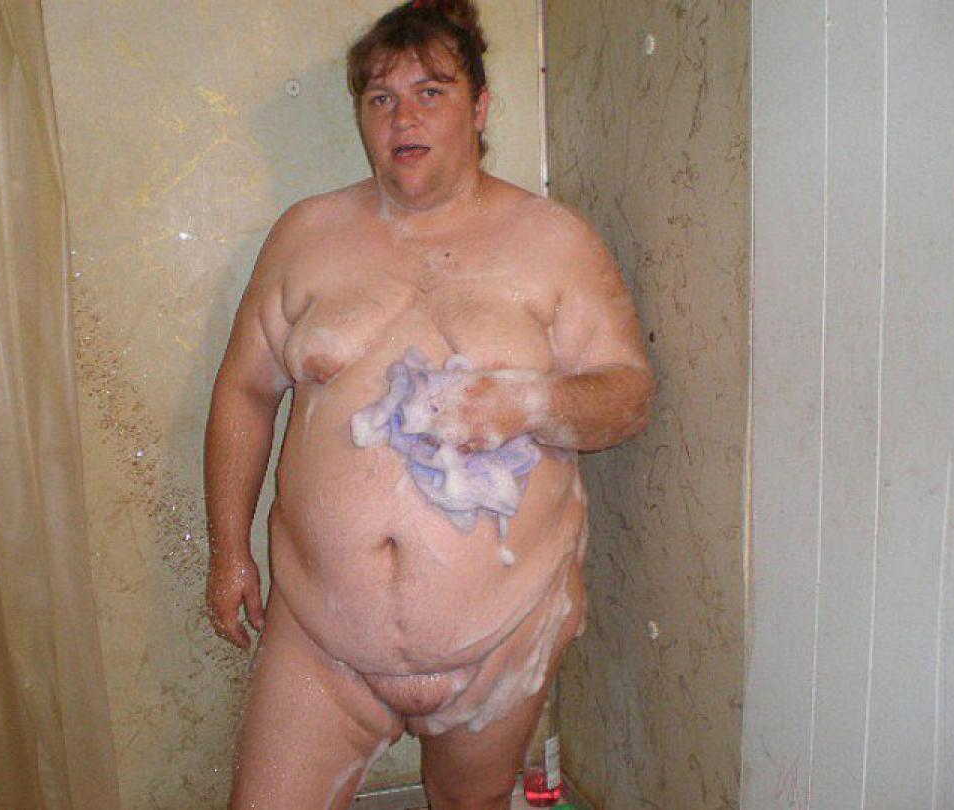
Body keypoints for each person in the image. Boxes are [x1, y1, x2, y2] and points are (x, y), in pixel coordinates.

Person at [204, 1, 653, 807]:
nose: (402, 118)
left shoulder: (554, 240)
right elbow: (243, 390)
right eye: (380, 98)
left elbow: (627, 395)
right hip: (318, 633)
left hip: (501, 632)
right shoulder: (304, 235)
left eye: (431, 92)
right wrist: (228, 549)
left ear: (479, 108)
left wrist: (526, 402)